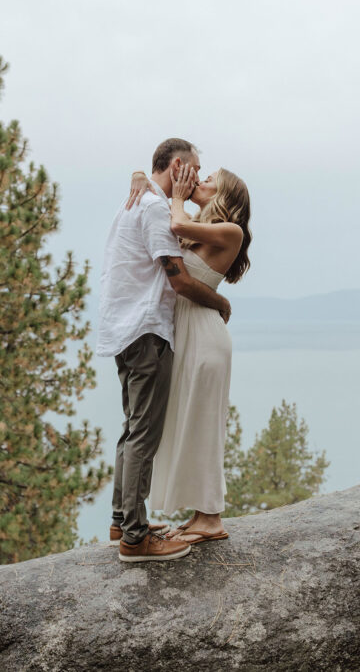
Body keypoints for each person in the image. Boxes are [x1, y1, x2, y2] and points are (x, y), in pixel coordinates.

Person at [97, 138, 232, 563]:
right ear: (178, 166)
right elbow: (176, 279)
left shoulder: (134, 201)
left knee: (131, 428)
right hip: (146, 332)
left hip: (123, 330)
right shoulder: (155, 207)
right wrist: (222, 303)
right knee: (143, 434)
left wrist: (142, 176)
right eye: (194, 169)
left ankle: (124, 519)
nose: (197, 177)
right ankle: (136, 540)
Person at [127, 163, 251, 545]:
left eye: (211, 180)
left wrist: (178, 198)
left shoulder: (230, 231)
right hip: (185, 334)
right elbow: (164, 218)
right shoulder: (196, 222)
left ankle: (211, 518)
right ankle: (200, 515)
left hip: (205, 336)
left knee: (204, 423)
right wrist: (138, 176)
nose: (202, 180)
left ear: (224, 196)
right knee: (186, 422)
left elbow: (176, 226)